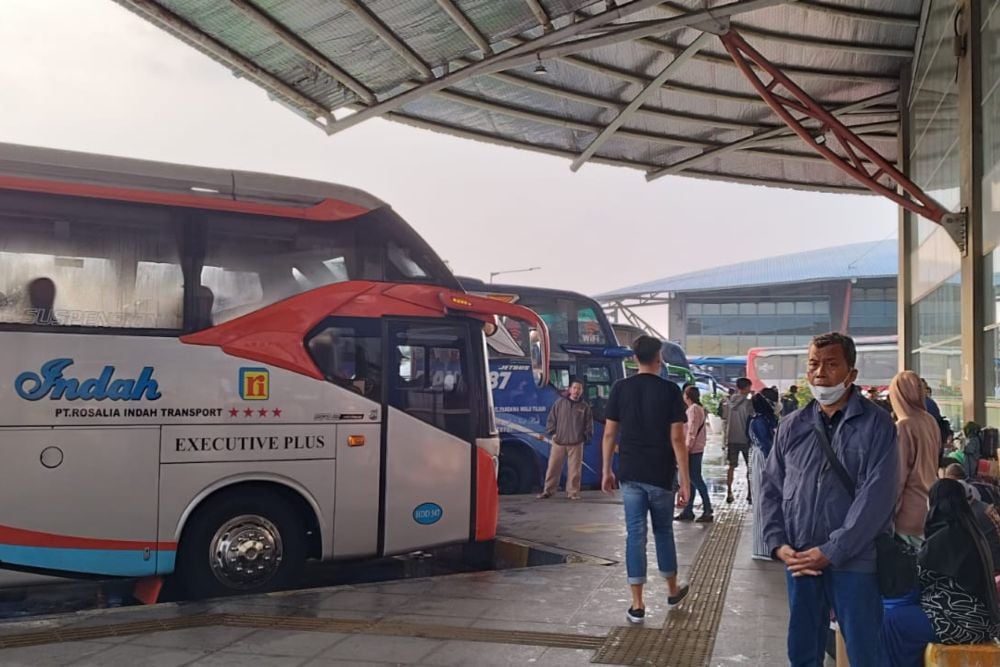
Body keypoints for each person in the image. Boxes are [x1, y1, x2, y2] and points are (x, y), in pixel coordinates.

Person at [760, 332, 897, 666]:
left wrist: (834, 550)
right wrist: (778, 544)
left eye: (832, 364)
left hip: (855, 560)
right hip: (802, 558)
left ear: (852, 373)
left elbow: (876, 496)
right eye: (814, 364)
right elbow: (770, 488)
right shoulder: (792, 425)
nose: (820, 372)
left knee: (865, 650)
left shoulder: (877, 425)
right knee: (803, 650)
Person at [602, 335, 690, 624]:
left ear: (634, 358)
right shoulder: (670, 391)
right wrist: (685, 480)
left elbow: (609, 434)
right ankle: (672, 589)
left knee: (635, 535)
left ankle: (637, 604)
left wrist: (606, 470)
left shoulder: (620, 388)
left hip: (630, 474)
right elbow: (677, 439)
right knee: (663, 532)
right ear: (659, 357)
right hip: (661, 474)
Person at [881, 479, 1000, 666]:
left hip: (959, 620)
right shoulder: (971, 531)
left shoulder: (947, 535)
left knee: (893, 621)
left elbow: (917, 574)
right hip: (983, 622)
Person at [889, 370, 941, 544]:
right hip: (930, 506)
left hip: (908, 515)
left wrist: (889, 515)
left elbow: (899, 477)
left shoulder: (903, 426)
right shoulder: (930, 421)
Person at [538, 378, 593, 500]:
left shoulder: (585, 407)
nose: (576, 391)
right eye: (574, 388)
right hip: (559, 442)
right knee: (553, 468)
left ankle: (572, 492)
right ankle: (548, 491)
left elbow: (589, 424)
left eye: (579, 388)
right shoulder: (559, 403)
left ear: (582, 391)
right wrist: (552, 433)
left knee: (575, 471)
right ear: (569, 389)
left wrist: (585, 437)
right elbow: (551, 419)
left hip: (576, 443)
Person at [675, 385, 712, 523]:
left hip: (693, 450)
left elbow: (692, 430)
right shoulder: (695, 408)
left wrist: (686, 449)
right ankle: (688, 510)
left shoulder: (694, 409)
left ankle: (708, 509)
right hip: (694, 449)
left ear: (687, 396)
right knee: (690, 480)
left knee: (696, 479)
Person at [749, 391, 778, 560]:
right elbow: (766, 444)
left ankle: (768, 545)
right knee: (762, 499)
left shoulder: (764, 419)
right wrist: (772, 464)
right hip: (762, 459)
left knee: (766, 499)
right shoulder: (759, 421)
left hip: (764, 458)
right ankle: (761, 548)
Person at [723, 377, 754, 504]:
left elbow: (724, 418)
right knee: (750, 467)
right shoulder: (748, 404)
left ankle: (729, 492)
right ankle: (750, 494)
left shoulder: (728, 402)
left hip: (731, 438)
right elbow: (752, 419)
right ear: (746, 388)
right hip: (745, 439)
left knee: (731, 466)